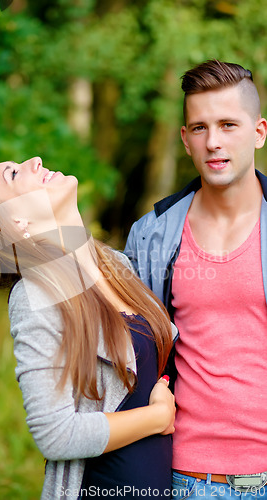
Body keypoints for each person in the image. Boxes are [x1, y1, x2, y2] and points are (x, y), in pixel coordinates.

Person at [0, 156, 177, 500]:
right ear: (15, 223)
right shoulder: (35, 294)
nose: (34, 160)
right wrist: (157, 417)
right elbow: (55, 434)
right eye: (13, 173)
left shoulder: (118, 265)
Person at [124, 59, 267, 500]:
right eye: (200, 128)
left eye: (228, 124)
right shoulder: (151, 234)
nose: (214, 142)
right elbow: (127, 351)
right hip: (185, 477)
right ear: (185, 140)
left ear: (259, 132)